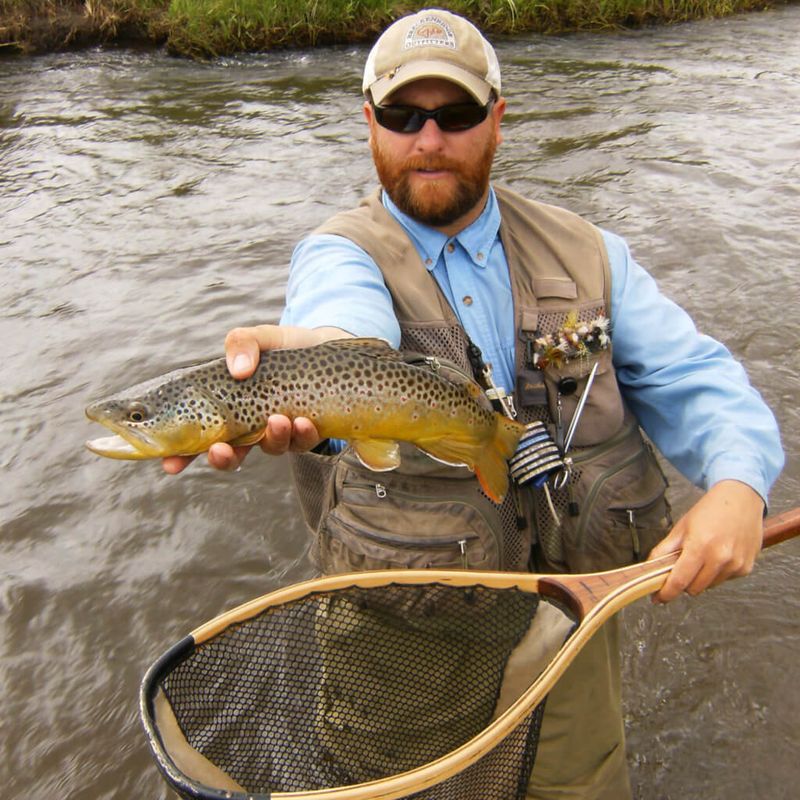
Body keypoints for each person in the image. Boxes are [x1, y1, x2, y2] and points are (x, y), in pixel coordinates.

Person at [163, 9, 784, 799]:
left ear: (496, 118)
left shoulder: (591, 254)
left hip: (571, 620)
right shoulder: (337, 256)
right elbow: (341, 323)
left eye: (455, 115)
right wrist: (316, 357)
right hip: (401, 648)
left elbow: (698, 377)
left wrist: (737, 483)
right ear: (369, 124)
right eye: (403, 116)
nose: (428, 140)